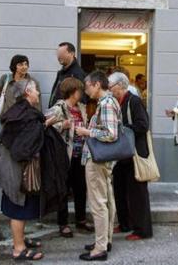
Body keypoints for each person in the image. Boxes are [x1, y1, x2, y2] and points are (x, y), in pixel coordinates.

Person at [0, 80, 59, 261]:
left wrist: (42, 125)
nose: (38, 93)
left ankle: (20, 239)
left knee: (17, 206)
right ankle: (19, 248)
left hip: (11, 168)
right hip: (18, 171)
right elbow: (25, 147)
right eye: (36, 90)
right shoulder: (27, 116)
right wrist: (44, 126)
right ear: (27, 93)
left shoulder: (17, 111)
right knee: (18, 208)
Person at [75, 71, 120, 261]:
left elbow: (111, 134)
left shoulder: (107, 103)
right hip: (103, 159)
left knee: (98, 204)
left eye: (87, 86)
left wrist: (87, 131)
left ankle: (100, 248)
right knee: (106, 201)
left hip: (98, 159)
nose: (86, 90)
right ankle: (105, 241)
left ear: (96, 85)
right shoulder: (108, 102)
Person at [108, 72, 153, 240]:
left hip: (134, 153)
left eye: (111, 86)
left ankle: (142, 230)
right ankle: (125, 223)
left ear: (120, 85)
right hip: (121, 154)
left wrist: (122, 128)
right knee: (119, 190)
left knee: (137, 193)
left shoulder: (134, 101)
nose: (109, 90)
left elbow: (143, 125)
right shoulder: (116, 101)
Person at [48, 77, 94, 237]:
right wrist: (63, 125)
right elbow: (48, 127)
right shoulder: (59, 107)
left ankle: (80, 220)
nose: (82, 93)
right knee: (63, 189)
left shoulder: (81, 107)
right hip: (65, 155)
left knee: (81, 188)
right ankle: (63, 223)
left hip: (81, 154)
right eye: (80, 90)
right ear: (73, 92)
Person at [0, 54, 41, 124]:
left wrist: (36, 121)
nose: (24, 67)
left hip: (25, 122)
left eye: (26, 64)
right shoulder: (5, 79)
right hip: (8, 120)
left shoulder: (33, 82)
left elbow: (37, 104)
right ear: (14, 66)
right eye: (20, 64)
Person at [48, 42, 86, 108]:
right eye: (58, 54)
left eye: (62, 53)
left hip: (67, 115)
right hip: (57, 113)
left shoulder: (77, 74)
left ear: (72, 54)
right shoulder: (61, 72)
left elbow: (81, 99)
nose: (59, 56)